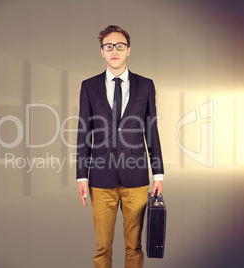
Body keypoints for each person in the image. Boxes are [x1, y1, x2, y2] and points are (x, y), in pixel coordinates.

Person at [76, 25, 164, 268]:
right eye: (108, 46)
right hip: (100, 179)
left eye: (120, 46)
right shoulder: (89, 86)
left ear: (128, 50)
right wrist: (81, 177)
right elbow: (84, 133)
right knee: (102, 248)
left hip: (136, 178)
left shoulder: (145, 85)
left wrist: (158, 173)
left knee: (134, 247)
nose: (114, 50)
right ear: (102, 52)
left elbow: (151, 130)